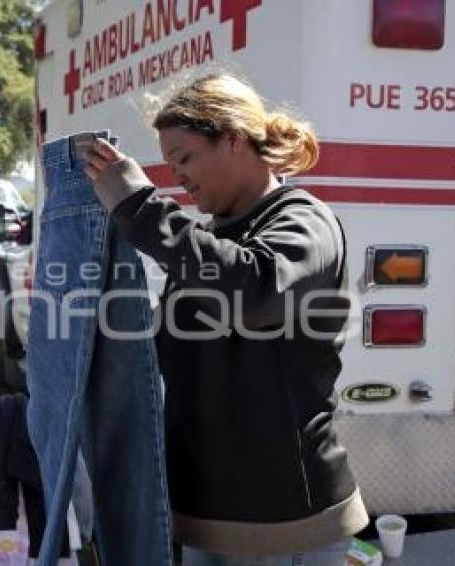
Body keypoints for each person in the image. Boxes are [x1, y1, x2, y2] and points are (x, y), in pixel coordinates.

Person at [83, 73, 368, 565]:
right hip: (209, 518)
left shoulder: (303, 220)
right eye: (171, 165)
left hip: (286, 526)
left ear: (234, 139)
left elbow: (256, 292)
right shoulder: (213, 238)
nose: (179, 178)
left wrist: (139, 207)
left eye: (185, 158)